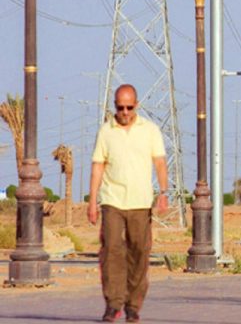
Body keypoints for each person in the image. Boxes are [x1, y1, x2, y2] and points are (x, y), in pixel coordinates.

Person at [88, 84, 168, 323]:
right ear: (115, 106)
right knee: (111, 250)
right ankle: (113, 304)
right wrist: (92, 201)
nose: (124, 112)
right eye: (120, 107)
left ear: (137, 105)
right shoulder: (106, 131)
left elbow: (160, 162)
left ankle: (133, 306)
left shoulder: (150, 130)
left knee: (139, 253)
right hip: (112, 201)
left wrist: (163, 192)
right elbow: (98, 166)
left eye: (129, 107)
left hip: (140, 202)